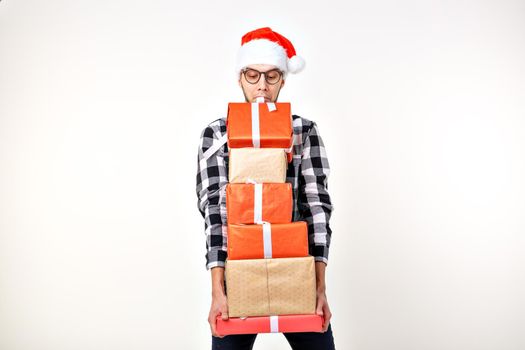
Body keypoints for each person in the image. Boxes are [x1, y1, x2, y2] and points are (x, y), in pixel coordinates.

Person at [196, 27, 335, 350]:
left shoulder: (303, 131)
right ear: (239, 78)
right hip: (239, 274)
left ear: (283, 80)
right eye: (252, 75)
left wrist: (319, 287)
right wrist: (218, 290)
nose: (261, 86)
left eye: (271, 77)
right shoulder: (217, 135)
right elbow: (215, 211)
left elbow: (317, 208)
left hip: (295, 270)